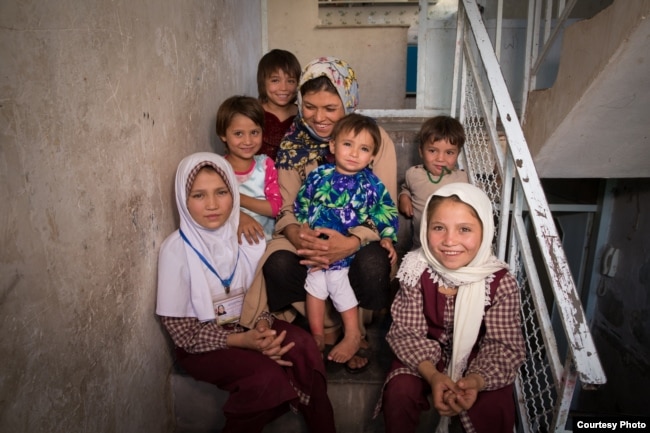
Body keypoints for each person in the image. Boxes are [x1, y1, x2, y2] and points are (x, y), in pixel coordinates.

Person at [156, 152, 336, 433]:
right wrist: (245, 341)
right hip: (205, 345)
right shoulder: (175, 251)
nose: (213, 205)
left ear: (234, 194)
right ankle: (278, 395)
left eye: (222, 192)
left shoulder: (247, 237)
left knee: (303, 347)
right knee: (264, 377)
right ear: (183, 198)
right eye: (199, 195)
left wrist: (263, 327)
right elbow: (184, 335)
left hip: (251, 325)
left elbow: (258, 297)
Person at [240, 56, 398, 374]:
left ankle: (350, 331)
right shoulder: (294, 143)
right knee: (280, 262)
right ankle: (325, 330)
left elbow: (383, 204)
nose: (319, 118)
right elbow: (286, 209)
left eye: (330, 108)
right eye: (310, 106)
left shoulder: (374, 139)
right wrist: (302, 237)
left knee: (373, 263)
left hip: (357, 235)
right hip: (308, 233)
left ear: (349, 102)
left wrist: (351, 242)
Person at [378, 182, 525, 433]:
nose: (449, 241)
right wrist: (434, 375)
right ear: (425, 229)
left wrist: (476, 381)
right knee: (400, 391)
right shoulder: (416, 268)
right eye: (438, 228)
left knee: (494, 404)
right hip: (424, 356)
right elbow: (406, 332)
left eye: (464, 229)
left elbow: (503, 344)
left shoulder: (500, 280)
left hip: (478, 360)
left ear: (485, 230)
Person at [294, 113, 399, 363]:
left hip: (347, 253)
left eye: (363, 149)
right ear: (333, 145)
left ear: (372, 156)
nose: (354, 153)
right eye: (347, 144)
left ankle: (352, 334)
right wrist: (303, 226)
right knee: (315, 289)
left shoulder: (372, 184)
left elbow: (385, 211)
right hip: (318, 250)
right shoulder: (318, 176)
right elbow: (302, 203)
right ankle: (317, 334)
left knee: (341, 289)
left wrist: (386, 238)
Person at [216, 95, 282, 242]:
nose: (248, 141)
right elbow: (215, 207)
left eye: (254, 132)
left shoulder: (265, 165)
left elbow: (275, 208)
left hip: (265, 241)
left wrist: (237, 198)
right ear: (223, 135)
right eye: (238, 134)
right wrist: (240, 216)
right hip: (230, 242)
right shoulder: (217, 169)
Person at [398, 115, 469, 249]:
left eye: (449, 153)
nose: (440, 159)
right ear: (421, 151)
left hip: (451, 247)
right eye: (432, 151)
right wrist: (404, 197)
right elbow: (406, 187)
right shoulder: (413, 174)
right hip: (420, 248)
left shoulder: (463, 179)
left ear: (458, 154)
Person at [256, 48, 302, 160]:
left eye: (290, 81)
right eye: (275, 80)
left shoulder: (303, 115)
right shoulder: (253, 113)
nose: (283, 88)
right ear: (263, 82)